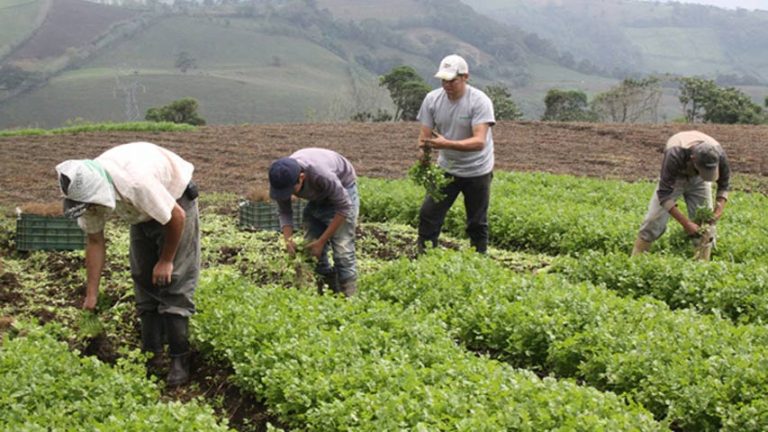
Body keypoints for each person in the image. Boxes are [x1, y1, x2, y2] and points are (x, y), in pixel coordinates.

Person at [56, 142, 199, 386]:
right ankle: (151, 355)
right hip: (140, 214)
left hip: (175, 202)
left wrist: (165, 261)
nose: (89, 210)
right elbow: (94, 241)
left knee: (173, 281)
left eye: (91, 205)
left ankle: (179, 359)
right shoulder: (86, 192)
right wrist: (91, 295)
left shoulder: (135, 183)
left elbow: (176, 217)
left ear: (97, 195)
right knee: (143, 277)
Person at [416, 54, 496, 254]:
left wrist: (446, 144)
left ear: (465, 77)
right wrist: (423, 156)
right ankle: (425, 257)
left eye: (452, 80)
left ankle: (479, 260)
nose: (447, 85)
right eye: (444, 80)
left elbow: (479, 142)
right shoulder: (432, 99)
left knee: (477, 222)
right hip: (447, 169)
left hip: (478, 170)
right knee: (428, 214)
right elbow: (424, 137)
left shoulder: (479, 101)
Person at [268, 148, 359, 296]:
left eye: (291, 190)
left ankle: (350, 299)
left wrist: (322, 241)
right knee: (312, 249)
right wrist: (288, 240)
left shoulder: (321, 175)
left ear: (302, 177)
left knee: (343, 251)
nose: (288, 194)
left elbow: (344, 208)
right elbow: (285, 211)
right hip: (318, 193)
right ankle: (327, 291)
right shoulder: (282, 178)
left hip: (343, 189)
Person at [632, 130, 730, 256]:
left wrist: (718, 212)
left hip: (699, 181)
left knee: (706, 225)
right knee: (653, 220)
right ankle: (636, 258)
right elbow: (664, 194)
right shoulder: (674, 153)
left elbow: (724, 185)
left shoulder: (718, 154)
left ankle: (702, 266)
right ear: (693, 159)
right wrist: (686, 223)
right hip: (676, 178)